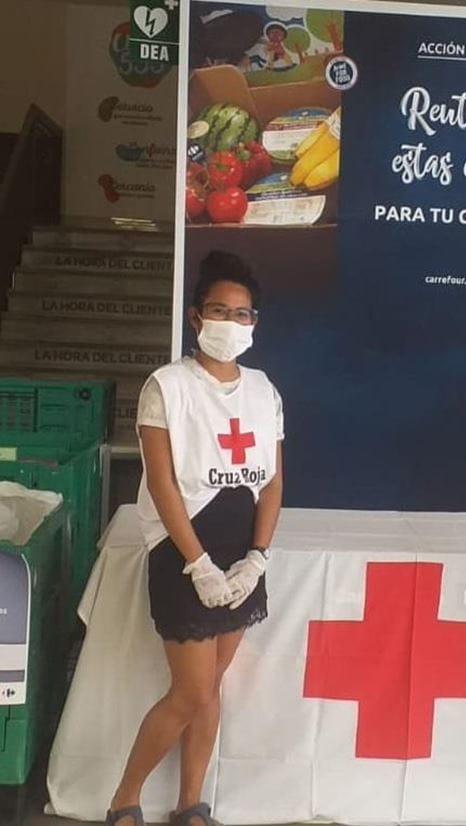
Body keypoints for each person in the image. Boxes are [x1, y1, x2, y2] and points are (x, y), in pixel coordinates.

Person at [106, 250, 284, 826]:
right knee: (189, 692)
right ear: (194, 317)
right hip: (184, 550)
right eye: (219, 311)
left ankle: (190, 804)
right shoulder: (167, 385)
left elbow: (275, 479)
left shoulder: (263, 390)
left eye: (243, 314)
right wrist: (199, 564)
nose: (231, 324)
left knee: (211, 690)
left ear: (254, 322)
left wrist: (257, 558)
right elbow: (160, 482)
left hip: (240, 549)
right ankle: (123, 799)